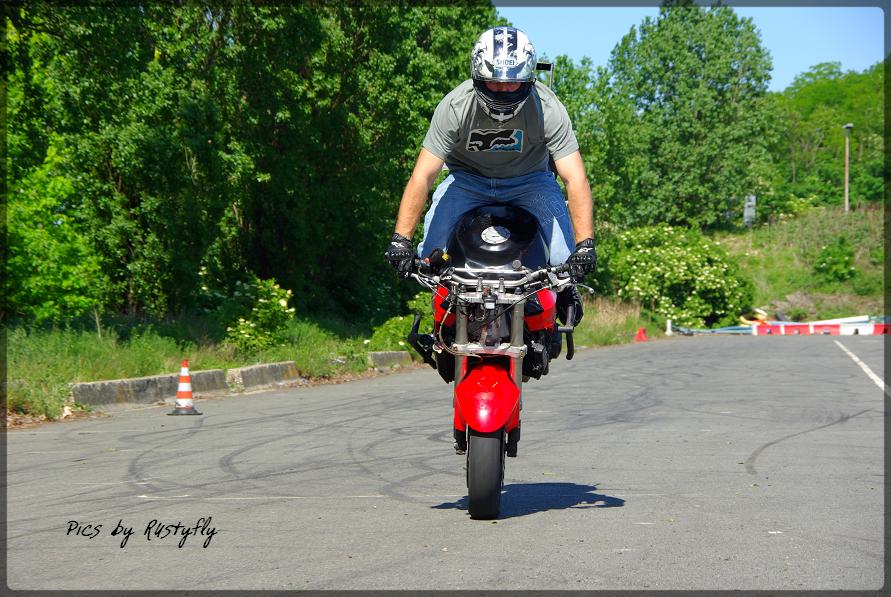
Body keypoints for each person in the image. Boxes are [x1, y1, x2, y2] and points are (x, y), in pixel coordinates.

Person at [385, 26, 595, 323]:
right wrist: (400, 240)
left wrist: (585, 245)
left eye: (513, 85)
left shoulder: (548, 109)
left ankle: (564, 296)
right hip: (468, 181)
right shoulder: (455, 106)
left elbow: (575, 178)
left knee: (564, 257)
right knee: (430, 255)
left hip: (531, 182)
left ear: (529, 80)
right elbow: (423, 175)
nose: (504, 91)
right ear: (478, 78)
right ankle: (444, 319)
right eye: (494, 84)